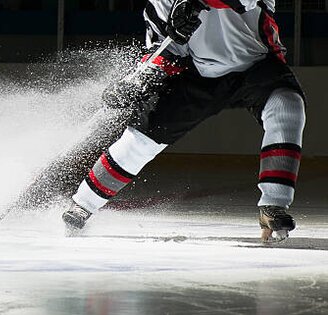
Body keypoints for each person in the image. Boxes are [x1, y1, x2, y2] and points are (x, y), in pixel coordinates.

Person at [62, 0, 306, 242]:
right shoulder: (158, 4)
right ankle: (83, 204)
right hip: (200, 73)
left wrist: (195, 2)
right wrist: (141, 79)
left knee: (287, 107)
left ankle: (273, 205)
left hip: (258, 64)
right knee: (141, 140)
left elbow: (243, 2)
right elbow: (166, 51)